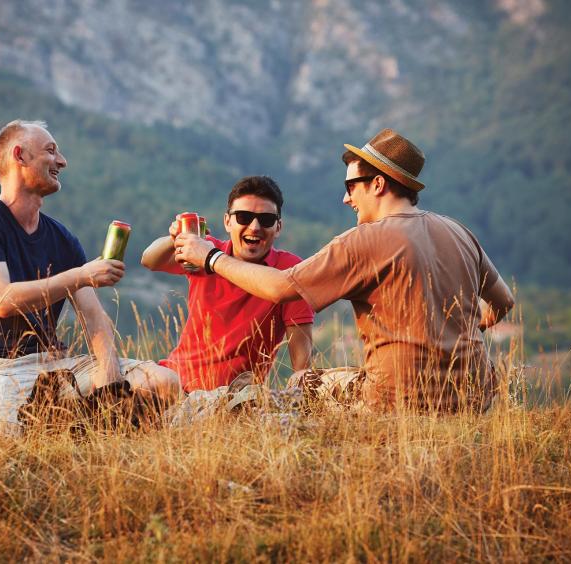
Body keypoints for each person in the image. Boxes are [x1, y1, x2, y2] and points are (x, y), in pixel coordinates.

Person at [174, 129, 515, 412]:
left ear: (378, 184)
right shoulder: (459, 232)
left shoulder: (363, 240)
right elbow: (504, 303)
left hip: (397, 403)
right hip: (476, 399)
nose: (346, 198)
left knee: (299, 382)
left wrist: (210, 257)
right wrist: (456, 338)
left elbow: (279, 287)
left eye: (351, 186)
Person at [0, 119, 180, 435]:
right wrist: (80, 275)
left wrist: (110, 378)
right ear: (19, 156)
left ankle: (76, 421)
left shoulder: (63, 238)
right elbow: (2, 300)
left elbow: (92, 315)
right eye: (51, 151)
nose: (62, 161)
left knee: (165, 383)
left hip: (54, 364)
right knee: (5, 433)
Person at [141, 176, 314, 391]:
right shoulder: (204, 249)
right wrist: (174, 237)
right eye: (243, 217)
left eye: (266, 220)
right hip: (171, 380)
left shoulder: (289, 270)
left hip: (226, 398)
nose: (254, 227)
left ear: (278, 227)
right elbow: (149, 260)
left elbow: (302, 362)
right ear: (227, 222)